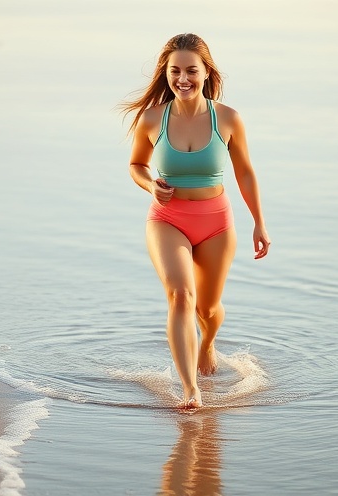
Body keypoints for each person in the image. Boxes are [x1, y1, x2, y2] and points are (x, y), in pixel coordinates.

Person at [121, 33, 270, 409]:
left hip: (216, 221)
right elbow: (137, 165)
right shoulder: (153, 118)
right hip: (167, 219)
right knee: (181, 296)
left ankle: (208, 342)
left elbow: (246, 174)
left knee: (207, 308)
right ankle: (190, 388)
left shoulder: (229, 118)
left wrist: (259, 223)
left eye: (191, 70)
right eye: (175, 71)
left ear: (206, 72)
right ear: (165, 74)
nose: (182, 79)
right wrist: (149, 186)